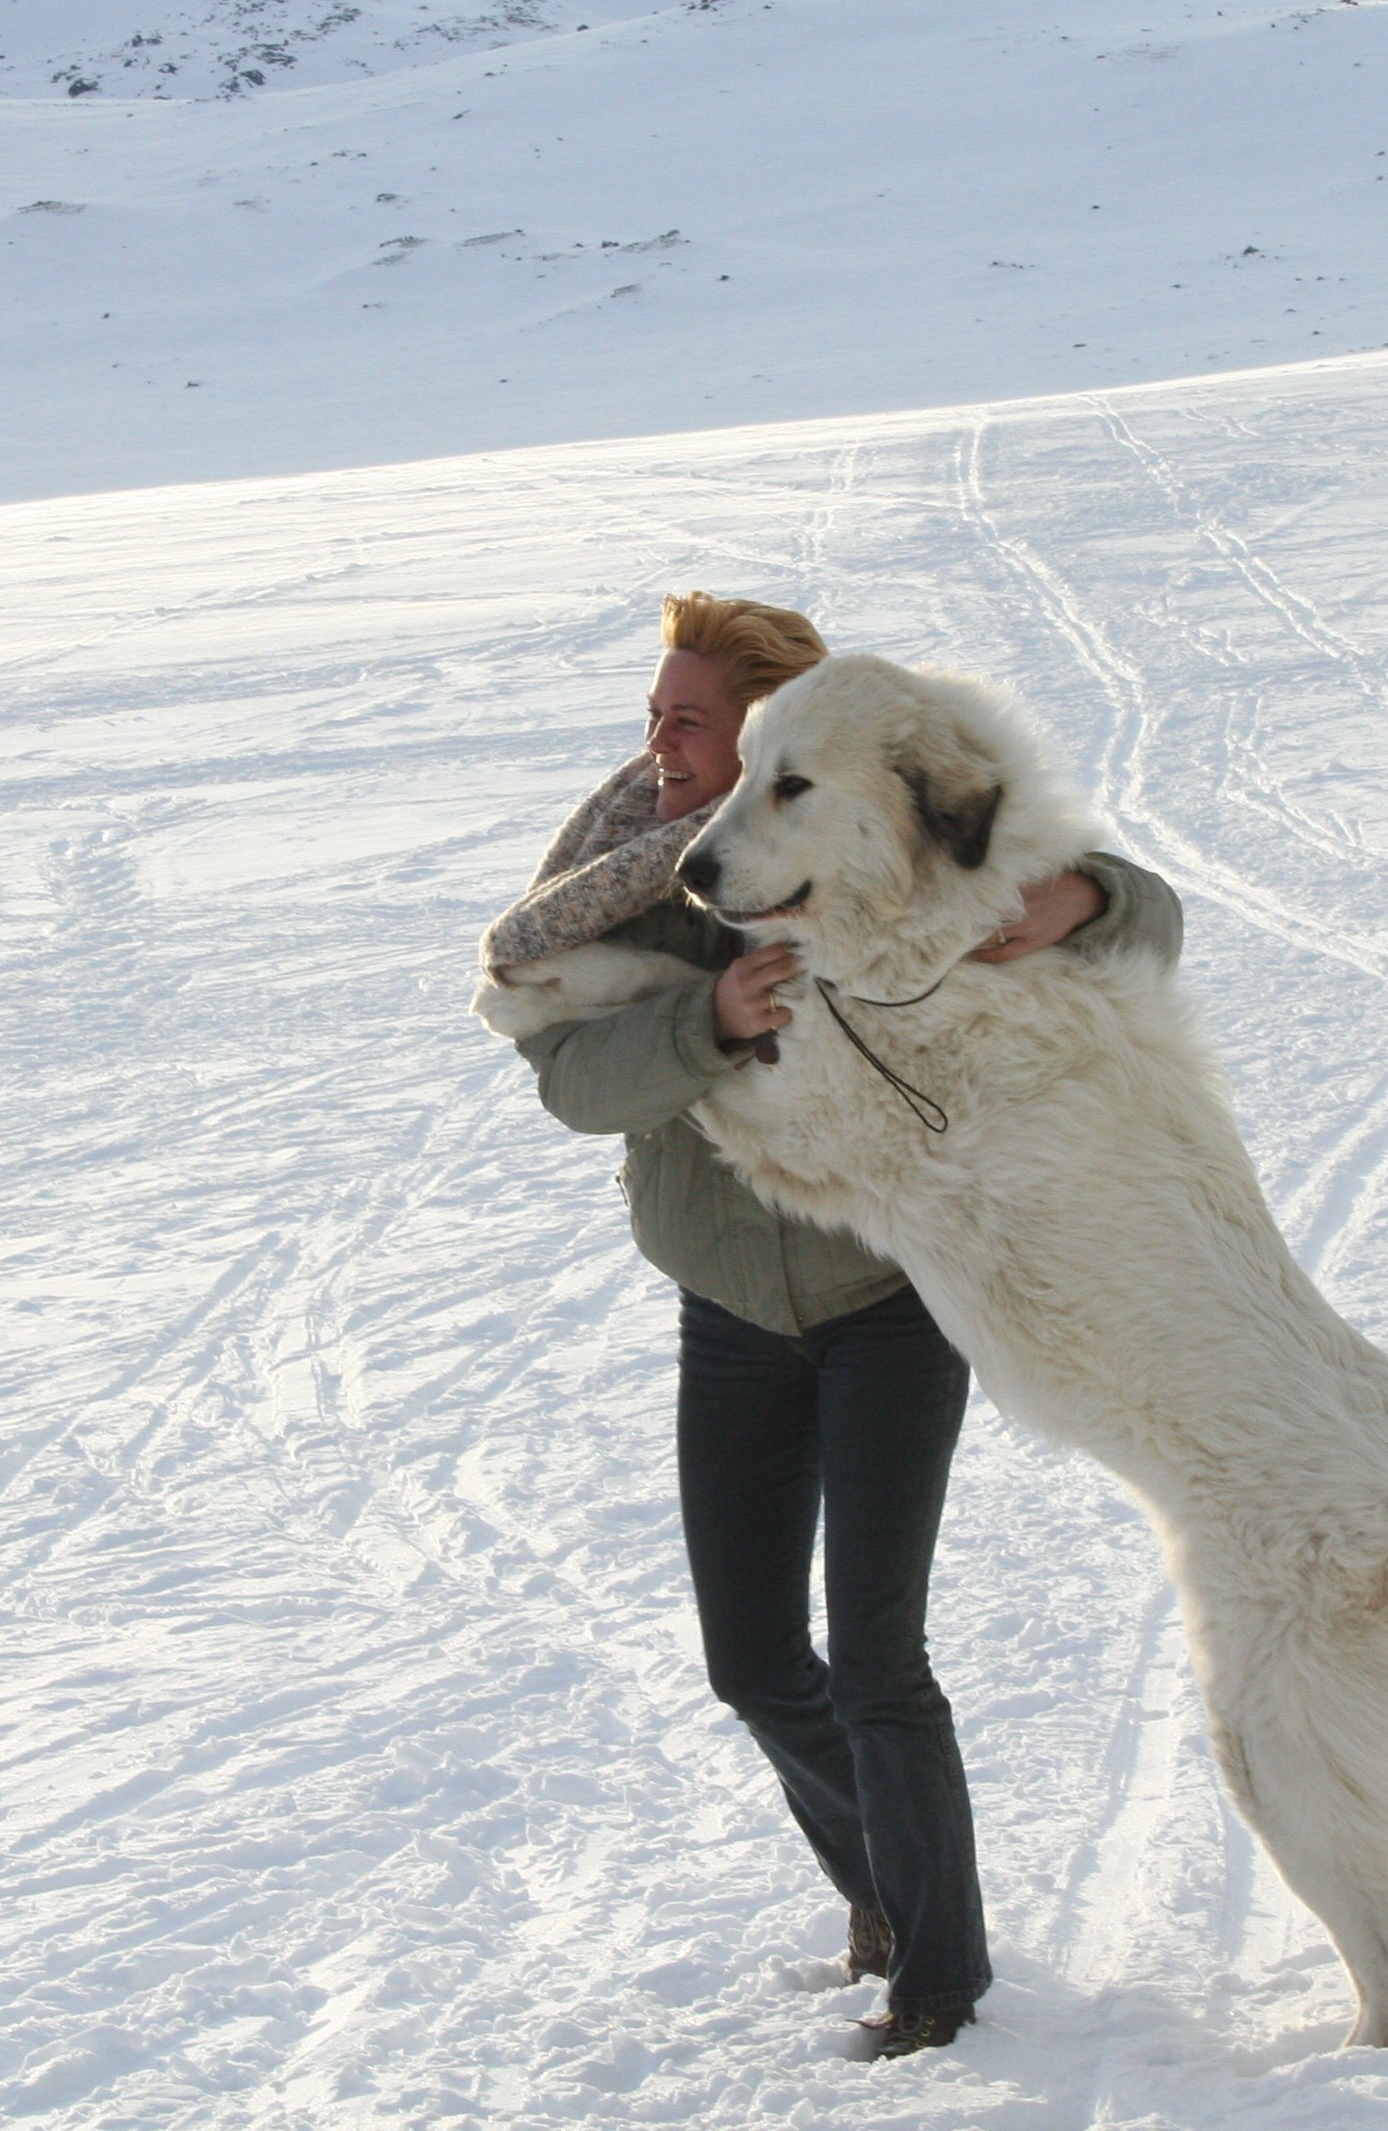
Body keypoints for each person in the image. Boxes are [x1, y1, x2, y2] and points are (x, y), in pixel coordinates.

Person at [502, 591, 1183, 2058]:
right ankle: (880, 1893)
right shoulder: (623, 878)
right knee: (753, 1660)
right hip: (730, 1308)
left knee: (877, 1658)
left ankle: (939, 1985)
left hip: (888, 1302)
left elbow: (1125, 901)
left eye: (696, 723)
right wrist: (712, 1025)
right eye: (661, 715)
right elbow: (567, 1083)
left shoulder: (853, 832)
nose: (665, 746)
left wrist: (1093, 901)